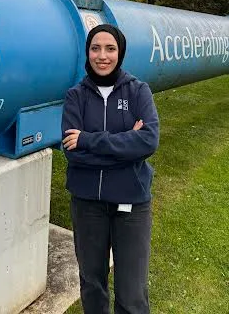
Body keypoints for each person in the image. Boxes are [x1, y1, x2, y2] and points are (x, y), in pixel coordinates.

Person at [61, 24, 160, 314]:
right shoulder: (75, 96)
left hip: (131, 201)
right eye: (95, 48)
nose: (102, 56)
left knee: (132, 292)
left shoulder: (139, 91)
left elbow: (148, 141)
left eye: (110, 48)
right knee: (92, 284)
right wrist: (126, 147)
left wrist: (89, 140)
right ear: (87, 53)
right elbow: (73, 154)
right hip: (87, 203)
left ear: (120, 53)